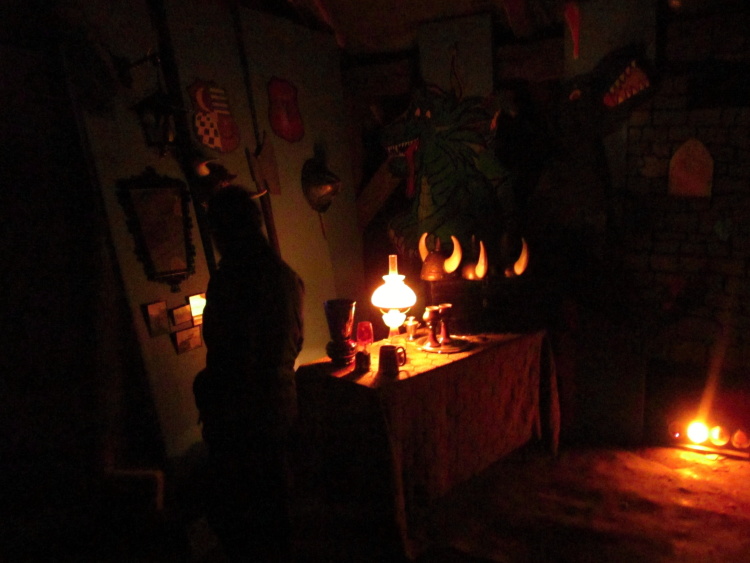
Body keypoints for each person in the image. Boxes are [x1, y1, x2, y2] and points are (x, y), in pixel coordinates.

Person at [193, 185, 304, 561]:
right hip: (280, 404)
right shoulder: (286, 277)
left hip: (242, 416)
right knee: (276, 510)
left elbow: (231, 356)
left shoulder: (232, 280)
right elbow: (295, 341)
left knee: (246, 522)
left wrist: (212, 395)